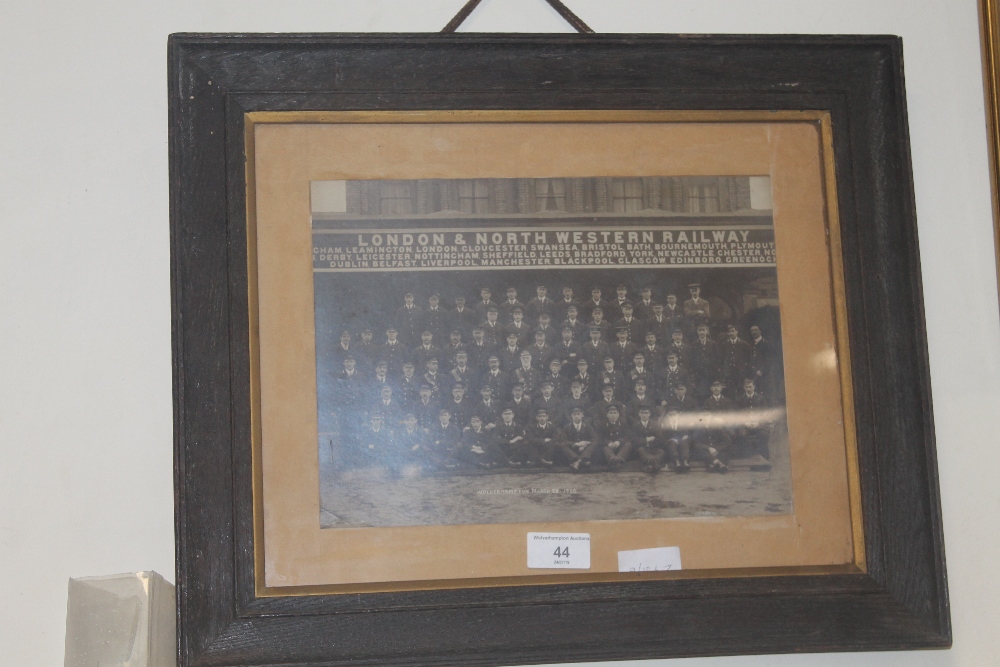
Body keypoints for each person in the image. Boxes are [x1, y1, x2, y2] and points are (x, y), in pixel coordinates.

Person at [734, 378, 770, 459]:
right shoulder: (739, 399)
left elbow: (764, 413)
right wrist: (745, 423)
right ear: (744, 387)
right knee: (741, 435)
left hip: (758, 423)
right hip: (744, 424)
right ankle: (746, 458)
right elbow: (737, 414)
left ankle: (763, 459)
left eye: (750, 387)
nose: (748, 389)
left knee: (764, 434)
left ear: (754, 387)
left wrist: (758, 423)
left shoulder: (760, 398)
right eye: (746, 387)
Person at [691, 408, 730, 472]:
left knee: (726, 452)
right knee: (701, 452)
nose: (705, 417)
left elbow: (727, 439)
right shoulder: (697, 427)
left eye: (707, 415)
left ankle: (712, 465)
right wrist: (708, 448)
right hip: (705, 449)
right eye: (703, 415)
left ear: (710, 416)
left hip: (717, 449)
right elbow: (695, 442)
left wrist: (716, 448)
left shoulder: (716, 425)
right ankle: (720, 464)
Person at [688, 323, 720, 400]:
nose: (701, 332)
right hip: (699, 373)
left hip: (710, 372)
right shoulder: (694, 344)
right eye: (700, 330)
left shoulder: (713, 344)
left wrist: (715, 370)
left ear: (707, 331)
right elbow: (692, 359)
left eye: (703, 330)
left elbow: (717, 358)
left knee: (711, 391)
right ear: (697, 332)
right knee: (700, 392)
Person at [721, 324, 752, 398]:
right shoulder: (724, 344)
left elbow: (749, 359)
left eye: (733, 331)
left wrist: (745, 369)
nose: (731, 333)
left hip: (740, 372)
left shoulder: (744, 344)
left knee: (741, 390)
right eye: (729, 332)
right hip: (729, 372)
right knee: (730, 391)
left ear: (737, 332)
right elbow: (721, 359)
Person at [598, 405, 632, 470]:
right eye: (610, 413)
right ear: (607, 415)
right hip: (609, 448)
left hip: (620, 448)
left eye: (615, 413)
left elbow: (629, 436)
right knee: (605, 448)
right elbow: (599, 438)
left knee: (628, 444)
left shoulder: (623, 423)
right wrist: (608, 443)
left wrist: (619, 442)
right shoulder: (602, 425)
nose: (613, 415)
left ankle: (616, 460)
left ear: (618, 414)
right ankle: (616, 461)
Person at [633, 406, 665, 473]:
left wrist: (651, 443)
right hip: (643, 449)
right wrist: (646, 440)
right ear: (639, 414)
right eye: (642, 413)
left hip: (654, 448)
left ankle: (650, 463)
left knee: (661, 451)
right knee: (640, 450)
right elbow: (634, 440)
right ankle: (655, 464)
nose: (644, 415)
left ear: (649, 414)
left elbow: (660, 439)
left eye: (646, 413)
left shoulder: (656, 425)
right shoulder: (635, 426)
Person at [661, 406, 692, 471]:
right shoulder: (664, 423)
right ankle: (676, 462)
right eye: (670, 415)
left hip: (681, 439)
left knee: (684, 442)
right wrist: (669, 439)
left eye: (674, 414)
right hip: (671, 440)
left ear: (678, 414)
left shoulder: (683, 422)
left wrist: (686, 435)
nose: (672, 416)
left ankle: (685, 461)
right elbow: (662, 435)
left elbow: (688, 432)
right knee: (672, 443)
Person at [748, 324, 775, 398]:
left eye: (755, 330)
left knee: (766, 392)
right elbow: (749, 359)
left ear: (760, 331)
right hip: (754, 373)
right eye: (752, 331)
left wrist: (761, 370)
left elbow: (769, 359)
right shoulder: (750, 344)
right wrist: (754, 370)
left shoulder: (766, 344)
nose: (754, 332)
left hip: (765, 373)